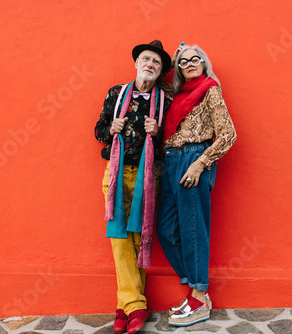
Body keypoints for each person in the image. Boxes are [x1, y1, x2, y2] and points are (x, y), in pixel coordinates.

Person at [95, 40, 172, 334]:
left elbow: (174, 142)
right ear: (136, 62)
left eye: (156, 62)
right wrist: (109, 129)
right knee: (119, 239)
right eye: (146, 59)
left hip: (147, 177)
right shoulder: (117, 94)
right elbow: (99, 129)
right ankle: (134, 304)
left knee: (138, 238)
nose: (150, 64)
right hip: (114, 174)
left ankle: (125, 304)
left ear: (161, 70)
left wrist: (159, 131)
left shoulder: (165, 100)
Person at [156, 44, 237, 327]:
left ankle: (200, 296)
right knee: (166, 229)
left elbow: (228, 134)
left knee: (193, 229)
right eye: (183, 61)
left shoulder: (210, 90)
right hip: (171, 161)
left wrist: (201, 163)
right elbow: (156, 72)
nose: (190, 63)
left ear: (204, 62)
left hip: (193, 159)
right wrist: (174, 54)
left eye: (195, 58)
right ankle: (195, 287)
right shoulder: (177, 95)